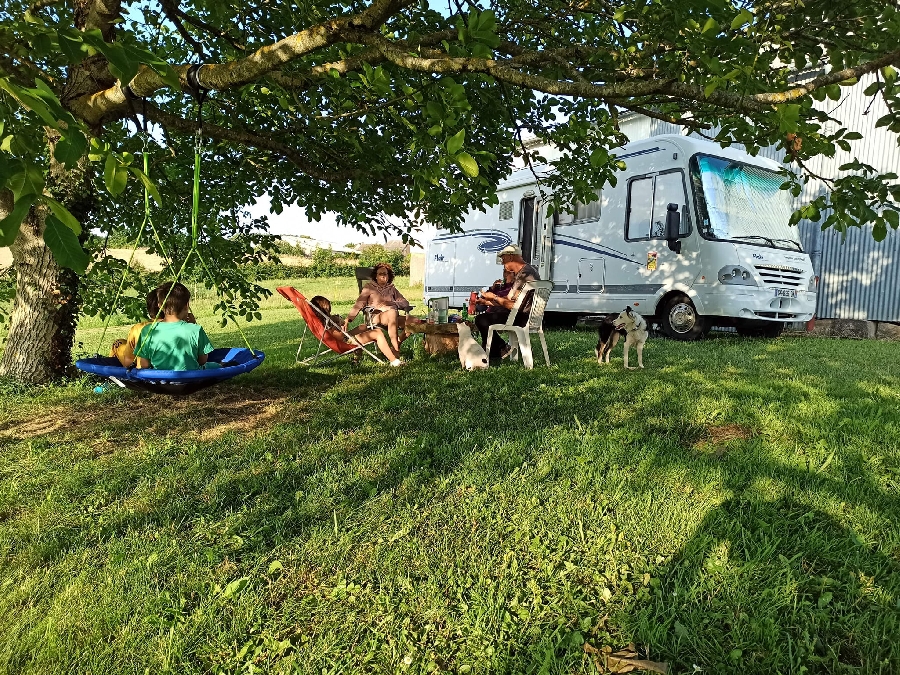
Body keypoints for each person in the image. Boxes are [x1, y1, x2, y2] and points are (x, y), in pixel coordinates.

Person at [134, 282, 220, 371]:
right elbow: (202, 360)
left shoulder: (148, 330)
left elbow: (144, 364)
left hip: (160, 380)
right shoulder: (196, 329)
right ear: (187, 305)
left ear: (159, 306)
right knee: (216, 365)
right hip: (192, 378)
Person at [474, 244, 540, 359]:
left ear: (510, 257)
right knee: (486, 317)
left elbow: (513, 305)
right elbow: (508, 301)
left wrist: (494, 297)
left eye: (503, 259)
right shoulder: (529, 270)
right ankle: (497, 351)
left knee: (482, 319)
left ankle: (500, 348)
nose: (503, 263)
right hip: (527, 314)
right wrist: (486, 302)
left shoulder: (524, 275)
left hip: (521, 317)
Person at [345, 262, 420, 353]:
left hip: (393, 316)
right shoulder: (369, 288)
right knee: (392, 312)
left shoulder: (391, 288)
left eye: (385, 274)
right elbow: (359, 304)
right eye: (381, 274)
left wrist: (391, 303)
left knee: (414, 321)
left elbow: (405, 302)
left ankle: (396, 345)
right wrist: (348, 319)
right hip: (376, 316)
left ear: (389, 276)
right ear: (375, 276)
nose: (383, 276)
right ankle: (396, 351)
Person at [110, 289, 198, 367]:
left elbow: (128, 362)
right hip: (179, 367)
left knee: (118, 343)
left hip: (145, 369)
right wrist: (193, 324)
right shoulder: (186, 326)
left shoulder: (140, 328)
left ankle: (111, 369)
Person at [310, 295, 404, 366]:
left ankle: (356, 359)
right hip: (344, 343)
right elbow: (340, 336)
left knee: (362, 327)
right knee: (377, 333)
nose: (329, 311)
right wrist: (339, 325)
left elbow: (340, 329)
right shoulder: (327, 325)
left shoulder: (320, 322)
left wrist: (337, 319)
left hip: (343, 339)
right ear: (323, 309)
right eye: (328, 309)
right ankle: (394, 361)